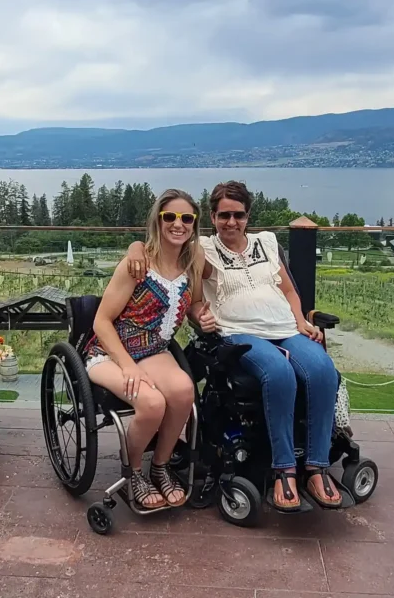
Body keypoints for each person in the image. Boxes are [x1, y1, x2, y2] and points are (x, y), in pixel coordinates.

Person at [125, 181, 342, 511]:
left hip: (285, 327)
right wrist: (135, 248)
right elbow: (193, 297)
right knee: (279, 373)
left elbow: (288, 291)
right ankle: (284, 469)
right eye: (223, 215)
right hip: (240, 332)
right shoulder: (203, 249)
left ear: (247, 215)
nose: (231, 222)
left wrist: (300, 320)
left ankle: (316, 466)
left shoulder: (266, 243)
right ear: (212, 217)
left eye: (238, 215)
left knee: (324, 370)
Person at [86, 189, 216, 510]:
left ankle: (160, 466)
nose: (178, 224)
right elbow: (101, 322)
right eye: (169, 217)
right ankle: (133, 471)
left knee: (184, 390)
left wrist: (200, 314)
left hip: (155, 349)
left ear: (195, 224)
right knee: (152, 402)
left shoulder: (194, 260)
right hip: (110, 351)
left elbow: (194, 303)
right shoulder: (138, 263)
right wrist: (127, 365)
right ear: (157, 220)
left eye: (187, 218)